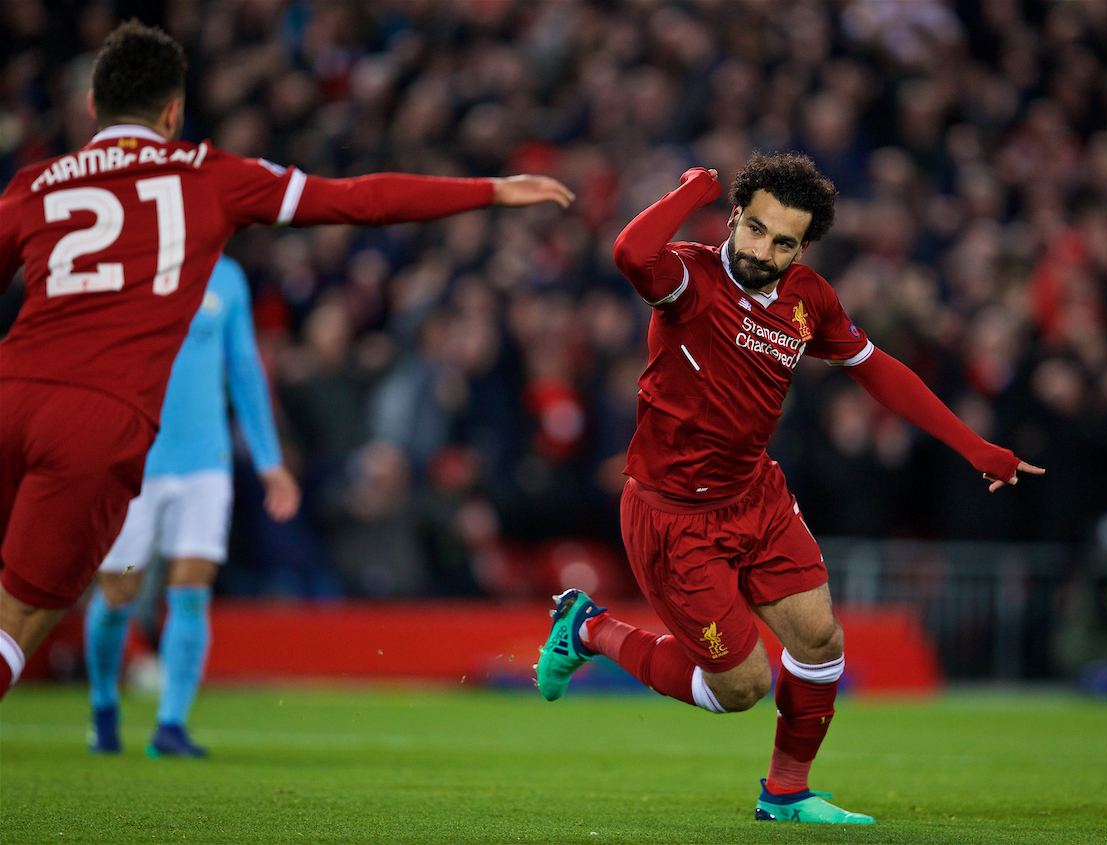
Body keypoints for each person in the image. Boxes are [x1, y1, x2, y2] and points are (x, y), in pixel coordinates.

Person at [0, 19, 574, 701]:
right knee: (22, 617)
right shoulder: (210, 174)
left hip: (11, 392)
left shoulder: (34, 183)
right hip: (95, 420)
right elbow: (358, 199)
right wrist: (489, 189)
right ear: (174, 112)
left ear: (91, 107)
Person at [536, 154, 1042, 825]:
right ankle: (590, 627)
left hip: (756, 497)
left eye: (783, 241)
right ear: (736, 219)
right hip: (674, 517)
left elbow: (878, 370)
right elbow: (630, 250)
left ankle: (785, 794)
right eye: (754, 228)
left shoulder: (810, 300)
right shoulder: (689, 276)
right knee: (739, 688)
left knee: (819, 641)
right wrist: (692, 191)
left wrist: (975, 446)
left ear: (802, 247)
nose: (762, 249)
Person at [85, 254, 299, 757]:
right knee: (121, 592)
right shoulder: (127, 262)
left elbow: (244, 368)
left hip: (207, 463)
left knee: (190, 590)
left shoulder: (226, 276)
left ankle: (170, 725)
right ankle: (102, 704)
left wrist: (269, 459)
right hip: (135, 462)